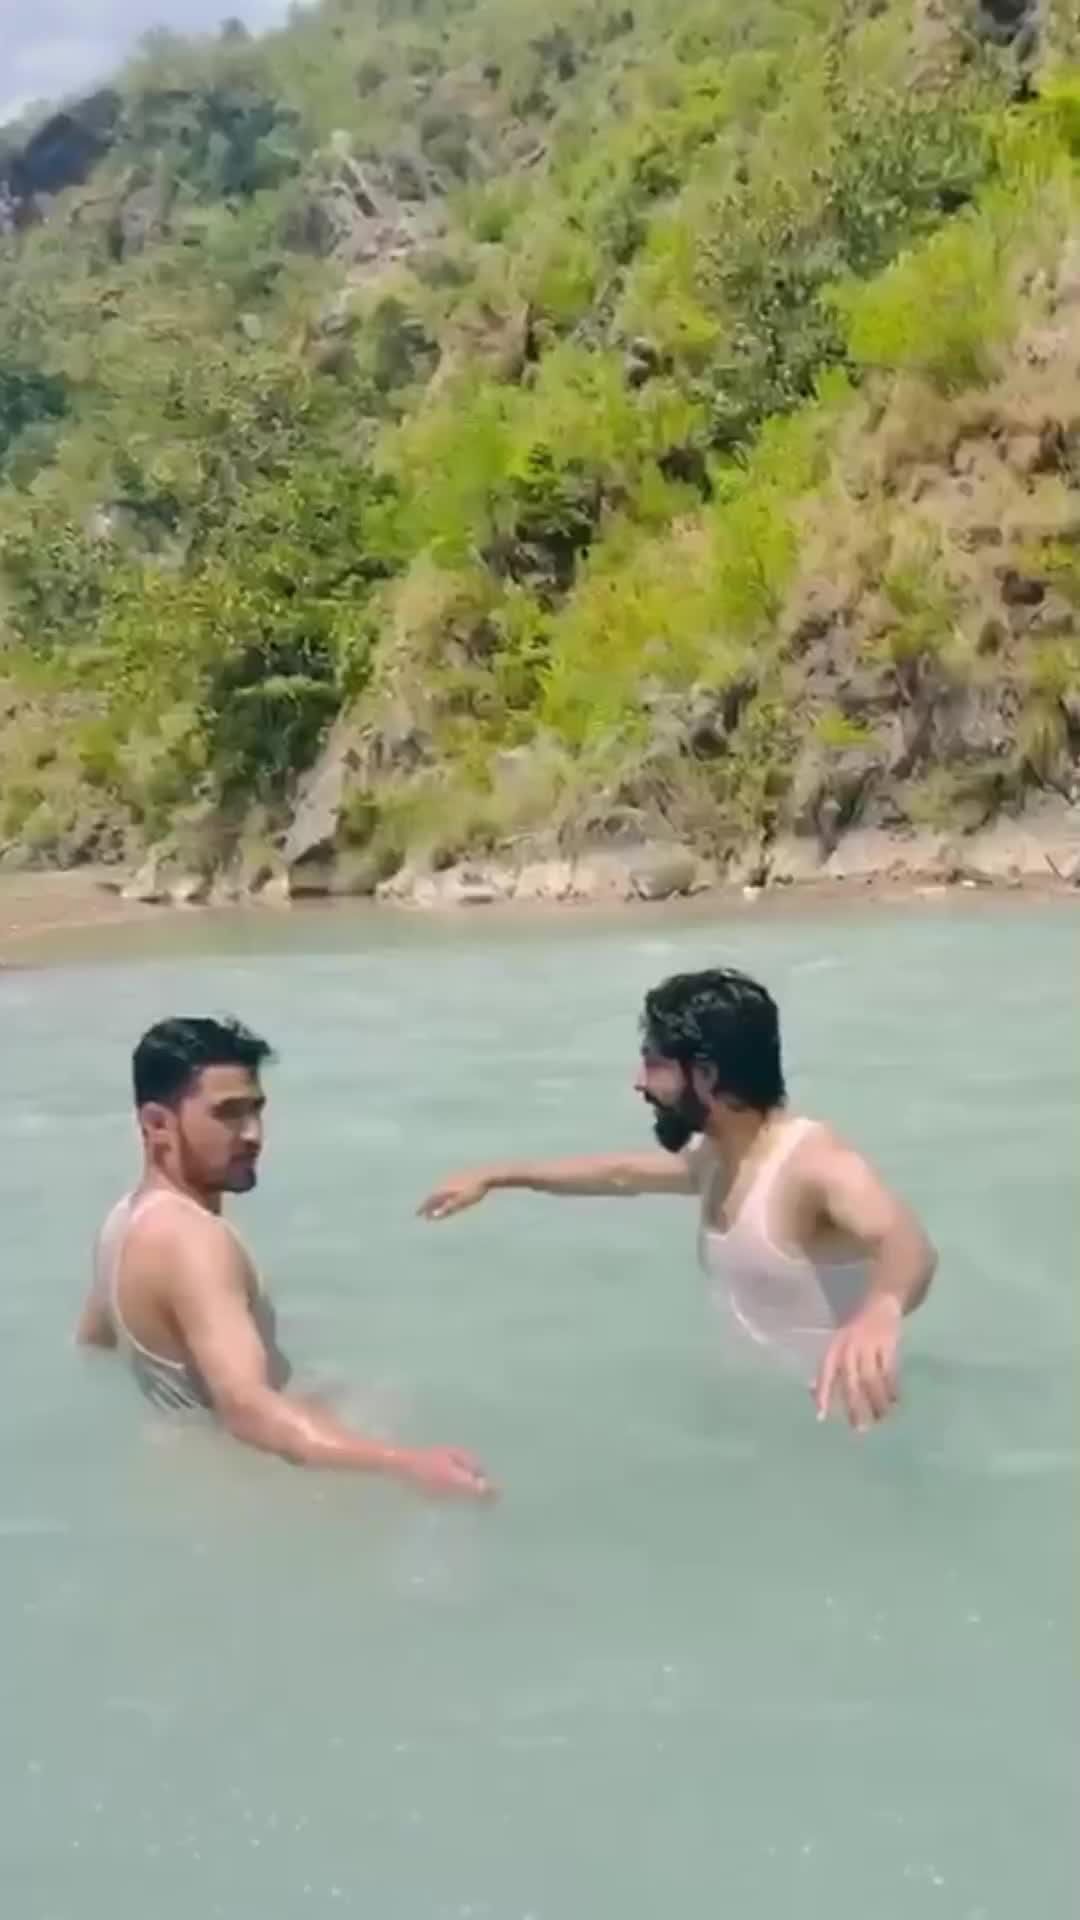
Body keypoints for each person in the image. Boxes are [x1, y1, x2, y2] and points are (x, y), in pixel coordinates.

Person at [420, 968, 937, 1431]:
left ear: (706, 1076)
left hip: (839, 1426)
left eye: (653, 1063)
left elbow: (906, 1242)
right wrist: (498, 1175)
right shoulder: (720, 1157)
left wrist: (881, 1310)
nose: (638, 1082)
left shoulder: (811, 1163)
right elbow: (620, 1174)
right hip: (755, 1424)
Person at [77, 1016, 490, 1497]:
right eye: (228, 1114)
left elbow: (93, 1345)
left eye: (256, 1110)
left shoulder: (124, 1220)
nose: (252, 1134)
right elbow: (247, 1409)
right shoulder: (193, 1241)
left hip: (192, 1481)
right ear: (157, 1124)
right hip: (248, 1492)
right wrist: (407, 1465)